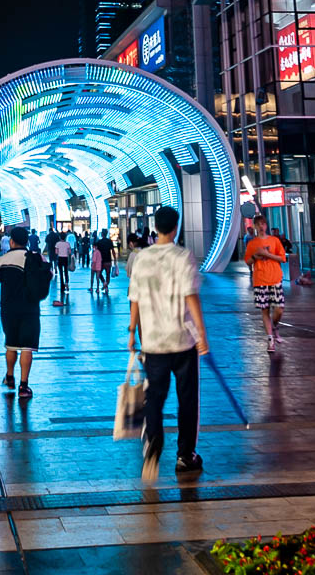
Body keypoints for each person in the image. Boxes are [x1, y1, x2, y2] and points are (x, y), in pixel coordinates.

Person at [126, 205, 208, 480]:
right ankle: (185, 455)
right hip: (183, 340)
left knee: (154, 398)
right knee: (187, 399)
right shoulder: (183, 256)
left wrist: (131, 332)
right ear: (175, 227)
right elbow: (191, 296)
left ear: (155, 226)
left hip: (152, 341)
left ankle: (153, 443)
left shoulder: (142, 258)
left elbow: (134, 298)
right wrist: (202, 335)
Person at [0, 226, 46, 397]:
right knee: (27, 347)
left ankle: (10, 377)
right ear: (27, 241)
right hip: (31, 308)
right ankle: (24, 386)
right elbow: (47, 276)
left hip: (9, 309)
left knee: (11, 344)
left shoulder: (3, 260)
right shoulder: (35, 258)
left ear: (11, 241)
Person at [245, 214, 287, 352]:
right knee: (265, 310)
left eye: (263, 224)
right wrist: (255, 257)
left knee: (279, 309)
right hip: (260, 280)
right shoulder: (252, 243)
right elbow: (247, 261)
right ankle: (270, 339)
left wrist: (267, 254)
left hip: (275, 279)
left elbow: (282, 258)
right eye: (258, 225)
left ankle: (274, 326)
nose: (261, 227)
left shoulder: (274, 241)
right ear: (255, 227)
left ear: (266, 225)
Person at [52, 229, 72, 300]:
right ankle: (67, 283)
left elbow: (56, 252)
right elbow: (69, 252)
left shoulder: (57, 244)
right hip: (66, 258)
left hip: (60, 258)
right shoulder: (67, 244)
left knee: (61, 272)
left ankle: (62, 287)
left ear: (60, 237)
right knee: (66, 271)